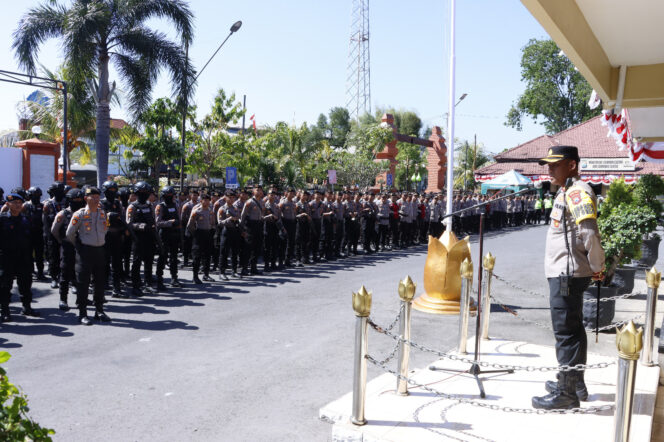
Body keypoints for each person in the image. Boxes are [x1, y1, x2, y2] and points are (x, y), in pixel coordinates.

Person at [531, 145, 605, 410]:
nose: (549, 169)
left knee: (565, 334)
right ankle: (575, 383)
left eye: (555, 164)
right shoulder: (566, 190)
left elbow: (589, 233)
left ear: (572, 164)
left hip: (567, 273)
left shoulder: (577, 192)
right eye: (548, 165)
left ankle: (566, 394)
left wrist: (598, 266)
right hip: (564, 271)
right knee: (573, 330)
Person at [66, 186, 110, 325]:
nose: (96, 200)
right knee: (83, 283)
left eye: (98, 197)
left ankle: (99, 310)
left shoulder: (102, 213)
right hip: (85, 251)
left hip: (99, 250)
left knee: (99, 282)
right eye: (93, 197)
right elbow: (69, 233)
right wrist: (79, 245)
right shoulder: (79, 214)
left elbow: (106, 229)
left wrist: (99, 240)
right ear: (86, 198)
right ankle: (82, 313)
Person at [0, 192, 40, 321]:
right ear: (7, 204)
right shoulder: (2, 219)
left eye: (19, 203)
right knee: (5, 285)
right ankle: (5, 310)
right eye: (14, 203)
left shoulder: (26, 219)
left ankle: (26, 307)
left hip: (24, 257)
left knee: (25, 283)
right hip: (6, 257)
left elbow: (32, 239)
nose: (17, 205)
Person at [51, 188, 85, 311]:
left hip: (82, 247)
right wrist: (62, 241)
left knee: (81, 274)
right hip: (67, 247)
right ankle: (63, 299)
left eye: (79, 200)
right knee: (65, 273)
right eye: (74, 200)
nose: (77, 202)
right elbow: (54, 231)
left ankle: (81, 299)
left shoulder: (85, 213)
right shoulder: (63, 214)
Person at [126, 181, 157, 296]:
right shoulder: (132, 206)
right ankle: (135, 285)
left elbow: (153, 220)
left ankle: (148, 284)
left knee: (149, 260)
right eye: (142, 192)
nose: (144, 194)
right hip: (137, 237)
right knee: (137, 262)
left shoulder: (150, 205)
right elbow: (129, 224)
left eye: (146, 192)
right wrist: (141, 226)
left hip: (149, 236)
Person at [101, 180, 127, 297]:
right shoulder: (100, 204)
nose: (112, 192)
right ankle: (104, 284)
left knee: (117, 263)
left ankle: (117, 288)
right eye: (110, 190)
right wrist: (108, 216)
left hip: (116, 236)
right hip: (105, 237)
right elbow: (99, 219)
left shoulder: (118, 203)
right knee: (104, 262)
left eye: (114, 190)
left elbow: (121, 216)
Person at [155, 186, 182, 289]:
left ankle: (174, 278)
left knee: (174, 258)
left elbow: (179, 219)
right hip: (164, 234)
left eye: (171, 195)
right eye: (167, 195)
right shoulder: (160, 206)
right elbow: (158, 222)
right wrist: (169, 223)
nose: (170, 197)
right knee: (162, 256)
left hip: (174, 234)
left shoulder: (176, 205)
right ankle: (159, 279)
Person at [43, 182, 66, 288]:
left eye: (61, 190)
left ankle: (64, 277)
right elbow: (46, 222)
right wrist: (48, 236)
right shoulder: (48, 204)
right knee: (53, 257)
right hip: (52, 234)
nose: (59, 192)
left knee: (65, 258)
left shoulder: (67, 202)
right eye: (57, 190)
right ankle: (54, 277)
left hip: (65, 234)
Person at [23, 186, 46, 280]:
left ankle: (40, 272)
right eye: (34, 195)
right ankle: (30, 271)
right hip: (28, 234)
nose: (37, 197)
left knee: (39, 255)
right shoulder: (25, 205)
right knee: (28, 254)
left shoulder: (42, 206)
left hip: (39, 234)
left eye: (38, 195)